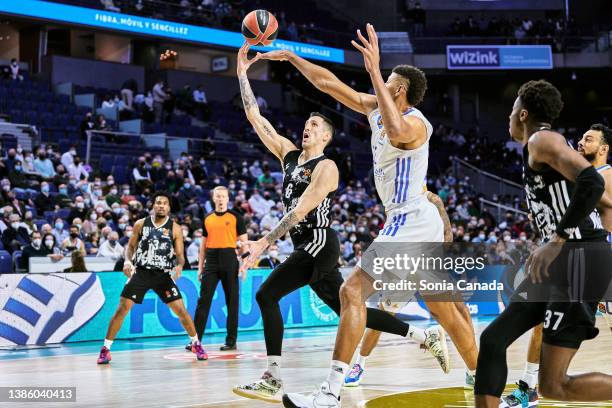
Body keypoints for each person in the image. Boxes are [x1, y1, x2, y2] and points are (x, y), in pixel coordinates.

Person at [258, 25, 478, 407]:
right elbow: (329, 85)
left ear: (398, 90)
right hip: (410, 219)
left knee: (351, 291)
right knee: (444, 308)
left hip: (410, 218)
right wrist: (292, 57)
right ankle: (482, 374)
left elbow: (395, 130)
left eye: (387, 80)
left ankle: (329, 393)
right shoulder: (378, 107)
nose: (379, 83)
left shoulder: (416, 123)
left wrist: (375, 69)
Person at [474, 80, 612, 407]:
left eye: (511, 111)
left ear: (522, 114)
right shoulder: (539, 148)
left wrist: (558, 239)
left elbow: (592, 183)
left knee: (555, 385)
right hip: (563, 260)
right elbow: (603, 204)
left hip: (577, 256)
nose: (507, 117)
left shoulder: (542, 139)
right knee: (493, 338)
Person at [97, 192, 207, 364]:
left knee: (181, 310)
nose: (161, 205)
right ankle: (105, 349)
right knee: (122, 308)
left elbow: (180, 256)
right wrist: (127, 261)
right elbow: (131, 247)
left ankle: (195, 343)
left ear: (169, 207)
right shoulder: (141, 224)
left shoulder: (175, 228)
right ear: (153, 206)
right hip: (141, 272)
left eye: (164, 203)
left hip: (162, 274)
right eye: (158, 202)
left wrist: (179, 266)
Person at [188, 186, 247, 352]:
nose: (220, 199)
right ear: (214, 199)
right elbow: (202, 247)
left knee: (232, 302)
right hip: (212, 261)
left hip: (229, 259)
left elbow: (244, 244)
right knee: (203, 301)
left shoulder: (236, 217)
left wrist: (245, 265)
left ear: (228, 198)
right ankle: (195, 340)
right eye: (217, 196)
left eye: (223, 196)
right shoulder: (207, 219)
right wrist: (200, 267)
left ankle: (231, 341)